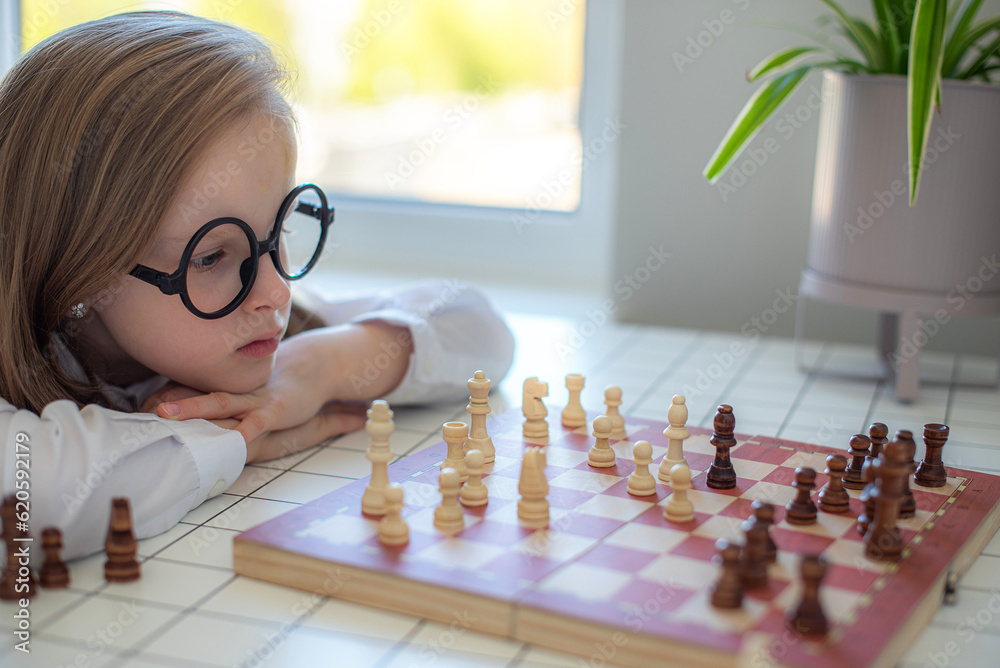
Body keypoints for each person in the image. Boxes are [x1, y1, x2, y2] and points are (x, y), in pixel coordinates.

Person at [0, 12, 514, 561]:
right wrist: (239, 432)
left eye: (280, 230)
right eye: (212, 256)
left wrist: (314, 370)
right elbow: (35, 501)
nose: (274, 292)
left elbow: (478, 327)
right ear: (83, 265)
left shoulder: (232, 320)